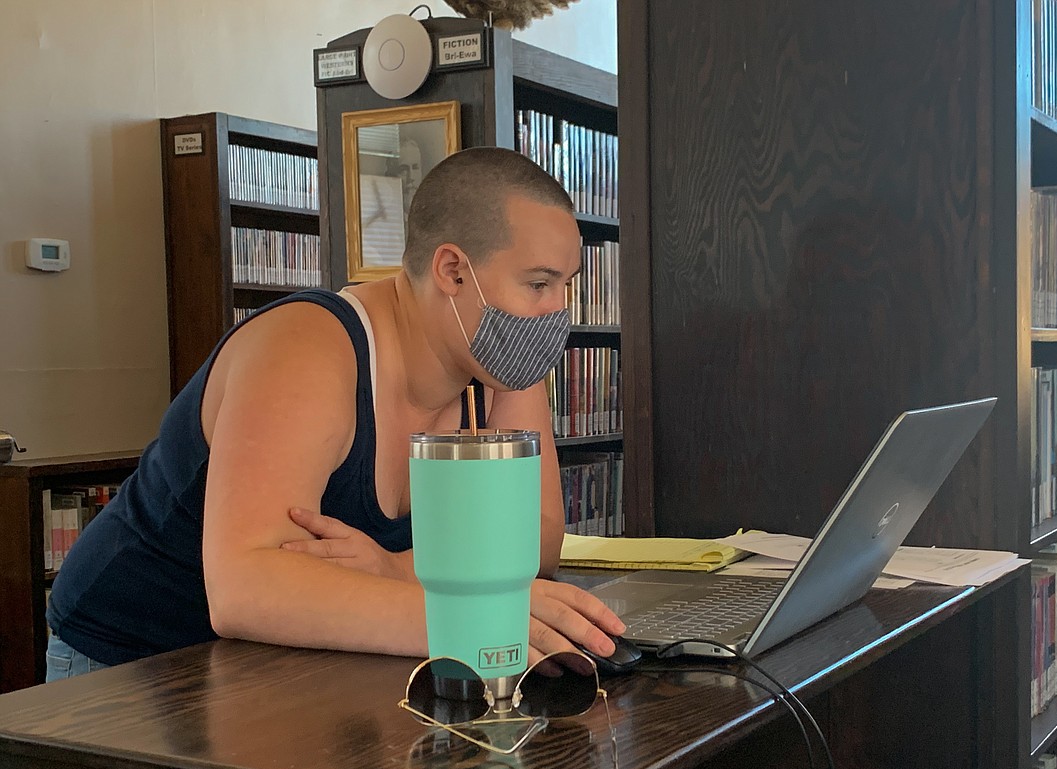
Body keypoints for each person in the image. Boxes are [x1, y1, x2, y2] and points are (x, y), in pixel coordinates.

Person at [45, 146, 625, 680]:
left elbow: (536, 544)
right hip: (131, 660)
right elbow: (244, 588)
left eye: (565, 286)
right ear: (452, 271)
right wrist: (469, 617)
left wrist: (393, 570)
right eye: (539, 284)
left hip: (284, 661)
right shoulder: (307, 348)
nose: (558, 312)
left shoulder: (501, 360)